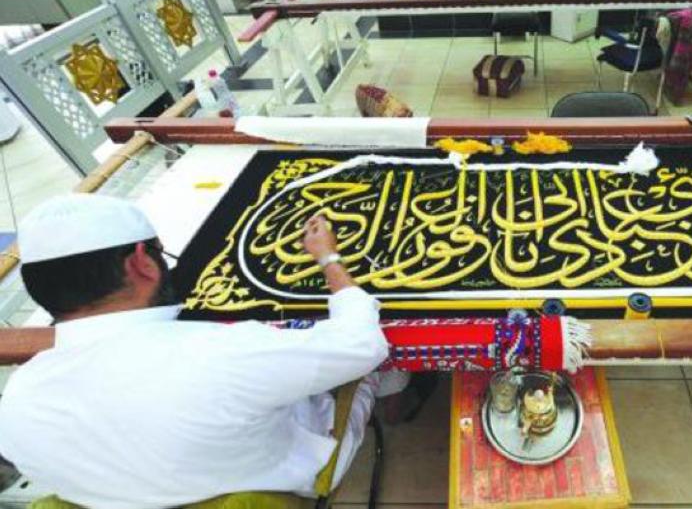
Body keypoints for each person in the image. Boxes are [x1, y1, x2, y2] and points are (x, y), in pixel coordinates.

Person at [0, 194, 406, 508]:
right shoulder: (222, 351)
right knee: (368, 369)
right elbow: (361, 343)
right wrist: (328, 258)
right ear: (142, 264)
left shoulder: (17, 399)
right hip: (264, 488)